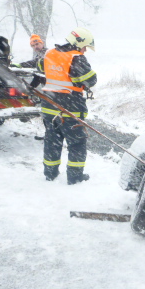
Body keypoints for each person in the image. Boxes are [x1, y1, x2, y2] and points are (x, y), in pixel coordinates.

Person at [40, 27, 97, 185]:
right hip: (70, 107)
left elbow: (40, 68)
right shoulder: (76, 58)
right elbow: (91, 80)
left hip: (49, 106)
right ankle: (75, 177)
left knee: (52, 141)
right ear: (78, 43)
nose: (85, 51)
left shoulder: (50, 53)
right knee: (77, 143)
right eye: (85, 47)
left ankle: (50, 174)